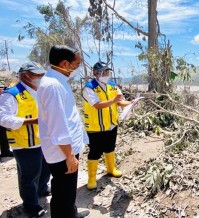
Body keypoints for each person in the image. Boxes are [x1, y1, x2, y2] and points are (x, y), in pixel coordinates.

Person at [37, 45, 89, 218]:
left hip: (67, 149)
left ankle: (71, 213)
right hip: (62, 153)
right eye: (77, 64)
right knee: (63, 193)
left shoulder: (59, 82)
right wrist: (69, 156)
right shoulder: (53, 86)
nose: (78, 68)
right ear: (65, 63)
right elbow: (57, 124)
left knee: (67, 191)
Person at [0, 62, 51, 217]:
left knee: (45, 169)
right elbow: (3, 118)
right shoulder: (11, 94)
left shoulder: (40, 90)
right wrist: (31, 121)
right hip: (25, 143)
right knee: (29, 175)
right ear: (25, 75)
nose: (41, 77)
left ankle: (42, 189)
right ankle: (30, 206)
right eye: (38, 74)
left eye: (42, 74)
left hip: (43, 140)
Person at [82, 61, 130, 190]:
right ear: (95, 73)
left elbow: (119, 102)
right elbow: (97, 105)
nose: (106, 74)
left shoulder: (112, 85)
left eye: (108, 72)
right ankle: (91, 179)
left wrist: (130, 103)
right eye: (104, 72)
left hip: (111, 124)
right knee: (95, 152)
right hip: (95, 126)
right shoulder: (89, 87)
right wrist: (114, 100)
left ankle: (111, 169)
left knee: (110, 147)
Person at [0, 81, 14, 159]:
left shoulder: (3, 97)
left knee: (4, 136)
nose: (1, 90)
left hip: (2, 121)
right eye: (0, 88)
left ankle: (5, 152)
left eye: (2, 88)